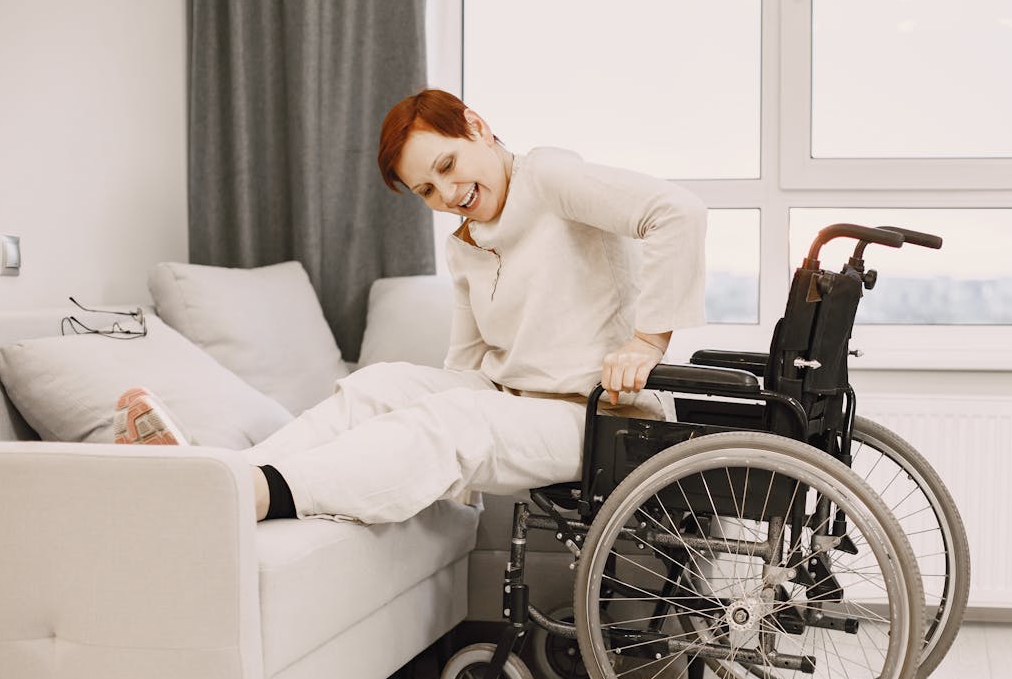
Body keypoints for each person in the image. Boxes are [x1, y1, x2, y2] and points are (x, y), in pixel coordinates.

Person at [115, 88, 707, 524]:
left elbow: (677, 212)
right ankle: (214, 475)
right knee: (380, 385)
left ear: (475, 126)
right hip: (512, 402)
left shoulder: (549, 176)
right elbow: (464, 369)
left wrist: (647, 342)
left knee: (451, 421)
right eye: (427, 190)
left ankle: (255, 492)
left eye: (447, 166)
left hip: (597, 417)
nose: (449, 195)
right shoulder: (466, 244)